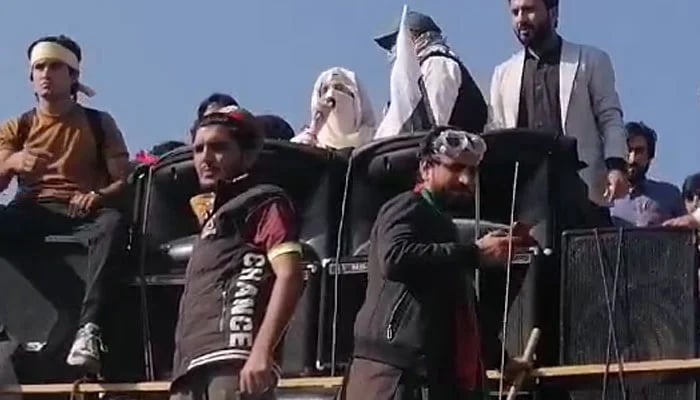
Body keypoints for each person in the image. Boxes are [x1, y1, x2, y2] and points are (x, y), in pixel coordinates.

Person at [344, 127, 532, 399]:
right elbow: (394, 258)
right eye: (455, 168)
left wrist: (501, 360)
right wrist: (474, 253)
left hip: (429, 379)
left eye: (472, 171)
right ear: (426, 169)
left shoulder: (442, 226)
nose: (467, 179)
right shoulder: (406, 207)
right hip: (394, 380)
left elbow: (461, 310)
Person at [0, 35, 130, 373]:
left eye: (55, 66)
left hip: (79, 212)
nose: (46, 74)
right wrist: (12, 162)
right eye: (39, 67)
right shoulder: (18, 127)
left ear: (73, 76)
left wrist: (98, 196)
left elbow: (123, 181)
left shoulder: (98, 123)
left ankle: (89, 328)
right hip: (30, 210)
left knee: (113, 223)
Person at [171, 108, 304, 400]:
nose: (205, 158)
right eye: (198, 149)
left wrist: (261, 351)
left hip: (234, 365)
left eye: (219, 147)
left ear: (246, 155)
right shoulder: (215, 217)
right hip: (190, 370)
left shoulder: (263, 202)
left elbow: (290, 275)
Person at [489, 0, 629, 212]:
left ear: (553, 13)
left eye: (529, 10)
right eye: (515, 12)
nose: (521, 19)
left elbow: (610, 118)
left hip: (582, 195)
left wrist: (616, 165)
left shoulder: (590, 61)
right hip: (525, 203)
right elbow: (497, 134)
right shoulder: (503, 74)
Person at [374, 11, 488, 133]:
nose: (392, 50)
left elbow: (433, 124)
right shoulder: (412, 81)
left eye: (396, 42)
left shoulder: (438, 64)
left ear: (415, 38)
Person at [610, 122, 684, 227]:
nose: (632, 159)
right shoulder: (604, 201)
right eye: (627, 150)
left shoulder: (669, 195)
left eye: (639, 151)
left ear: (649, 156)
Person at [292, 67, 376, 149]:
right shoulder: (305, 143)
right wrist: (312, 132)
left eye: (338, 88)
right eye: (325, 90)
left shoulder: (375, 142)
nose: (330, 94)